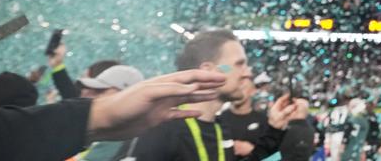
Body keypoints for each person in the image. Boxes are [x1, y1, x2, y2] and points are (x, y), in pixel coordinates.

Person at [0, 68, 226, 161]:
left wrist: (97, 117)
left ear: (124, 94)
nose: (86, 96)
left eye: (100, 91)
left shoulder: (157, 136)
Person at [121, 29, 305, 161]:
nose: (247, 73)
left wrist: (274, 128)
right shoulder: (163, 128)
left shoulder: (218, 126)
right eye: (239, 64)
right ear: (208, 71)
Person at [218, 76, 271, 161]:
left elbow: (273, 154)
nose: (237, 92)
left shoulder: (263, 120)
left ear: (253, 91)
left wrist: (252, 150)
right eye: (235, 88)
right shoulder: (219, 120)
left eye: (243, 88)